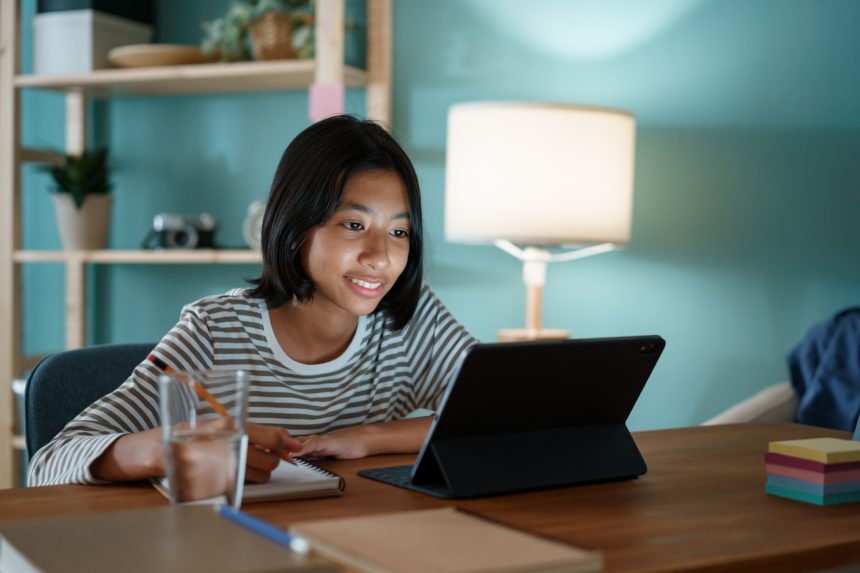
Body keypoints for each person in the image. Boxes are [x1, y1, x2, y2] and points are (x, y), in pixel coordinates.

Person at [28, 115, 476, 490]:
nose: (380, 257)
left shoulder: (413, 318)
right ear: (296, 226)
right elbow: (50, 464)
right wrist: (171, 448)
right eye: (353, 225)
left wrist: (366, 438)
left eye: (398, 232)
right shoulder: (214, 332)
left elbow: (513, 422)